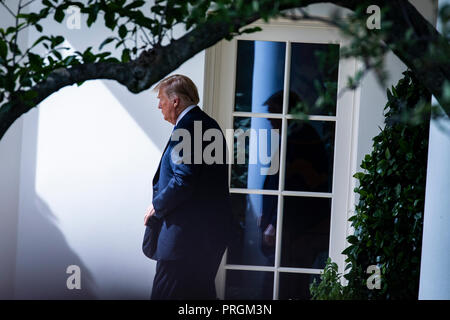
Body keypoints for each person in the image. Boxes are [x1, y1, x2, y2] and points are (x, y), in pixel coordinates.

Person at [143, 74, 232, 300]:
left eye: (162, 99)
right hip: (203, 239)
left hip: (186, 242)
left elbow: (184, 179)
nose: (158, 105)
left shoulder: (190, 127)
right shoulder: (206, 125)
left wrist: (157, 205)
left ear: (175, 101)